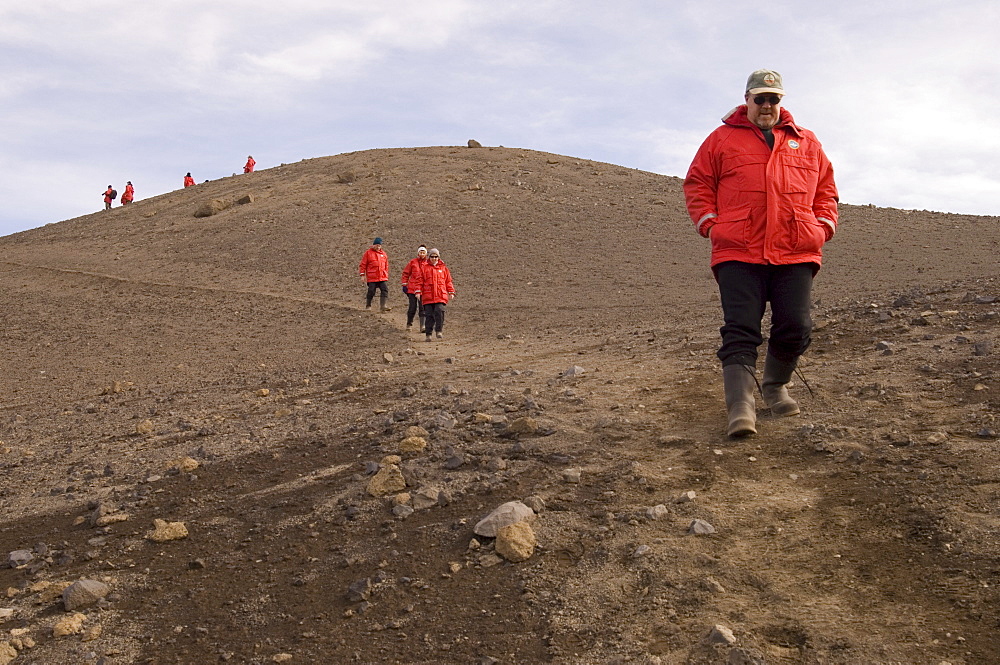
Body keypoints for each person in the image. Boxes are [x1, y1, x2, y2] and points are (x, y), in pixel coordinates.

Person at [683, 69, 839, 437]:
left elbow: (826, 190)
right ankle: (741, 406)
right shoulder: (720, 139)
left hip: (796, 248)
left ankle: (774, 385)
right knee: (741, 330)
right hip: (738, 250)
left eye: (774, 99)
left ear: (780, 102)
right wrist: (711, 225)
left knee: (795, 325)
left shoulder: (807, 141)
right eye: (760, 98)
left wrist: (822, 227)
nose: (767, 105)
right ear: (747, 99)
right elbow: (697, 184)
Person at [414, 248, 455, 342]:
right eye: (432, 256)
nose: (434, 258)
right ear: (429, 257)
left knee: (439, 311)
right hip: (428, 296)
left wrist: (451, 292)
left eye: (436, 256)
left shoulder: (444, 268)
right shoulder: (424, 268)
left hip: (440, 295)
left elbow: (448, 281)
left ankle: (439, 330)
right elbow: (419, 281)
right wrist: (418, 291)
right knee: (428, 315)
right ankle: (428, 334)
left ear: (438, 257)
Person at [401, 245, 429, 331]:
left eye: (423, 252)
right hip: (412, 288)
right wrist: (404, 284)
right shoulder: (412, 262)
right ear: (418, 253)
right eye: (420, 252)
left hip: (423, 289)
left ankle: (422, 326)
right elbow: (406, 273)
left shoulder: (428, 263)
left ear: (426, 253)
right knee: (412, 307)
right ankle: (409, 324)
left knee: (423, 308)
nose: (422, 254)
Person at [359, 237, 391, 312]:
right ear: (373, 245)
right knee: (371, 291)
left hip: (381, 277)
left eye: (379, 245)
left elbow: (386, 265)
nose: (378, 247)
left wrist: (385, 274)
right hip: (372, 277)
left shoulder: (383, 254)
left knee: (385, 290)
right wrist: (362, 275)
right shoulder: (368, 253)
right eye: (377, 245)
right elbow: (363, 264)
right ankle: (368, 305)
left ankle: (383, 306)